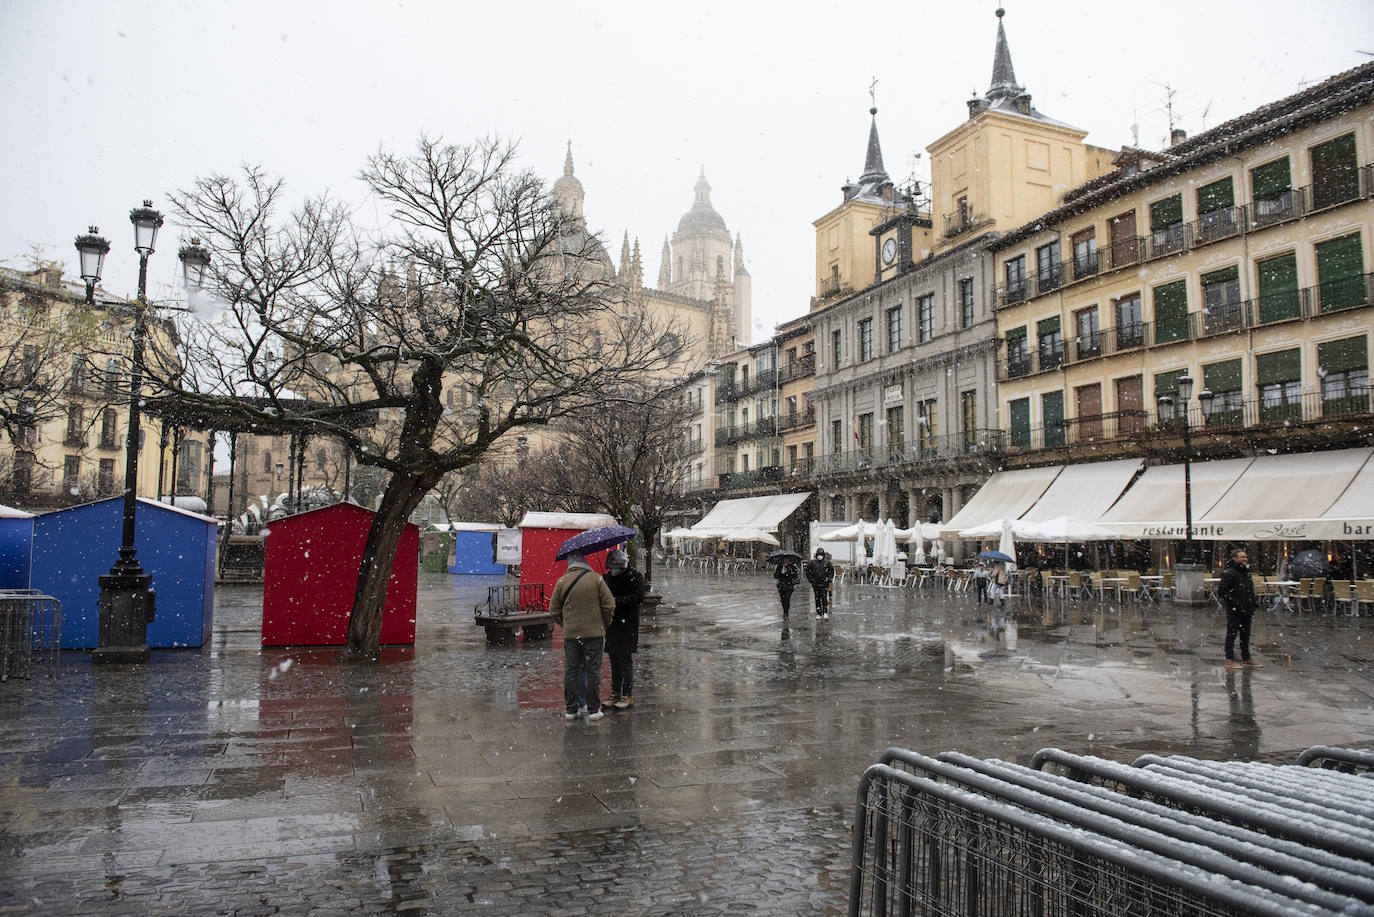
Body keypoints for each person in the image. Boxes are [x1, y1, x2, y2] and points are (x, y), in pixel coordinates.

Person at [549, 550, 616, 721]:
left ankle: (571, 709)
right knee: (593, 670)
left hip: (571, 634)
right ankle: (593, 710)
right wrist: (605, 622)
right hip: (594, 633)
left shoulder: (562, 581)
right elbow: (609, 604)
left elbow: (553, 610)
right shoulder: (596, 579)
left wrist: (565, 623)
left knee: (571, 670)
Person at [603, 549, 645, 710]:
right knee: (614, 659)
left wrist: (618, 601)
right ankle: (615, 693)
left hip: (627, 624)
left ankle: (627, 694)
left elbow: (639, 597)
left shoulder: (634, 576)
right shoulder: (606, 578)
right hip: (612, 624)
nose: (611, 572)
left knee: (625, 660)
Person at [1217, 547, 1260, 668]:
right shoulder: (1229, 573)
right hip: (1235, 609)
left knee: (1246, 634)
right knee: (1232, 633)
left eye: (1245, 557)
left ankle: (1246, 657)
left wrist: (1253, 602)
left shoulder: (1246, 572)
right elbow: (1222, 592)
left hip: (1247, 608)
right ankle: (1229, 658)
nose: (1245, 559)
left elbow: (1250, 590)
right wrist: (1235, 603)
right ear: (1235, 558)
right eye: (1242, 557)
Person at [804, 548, 834, 619]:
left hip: (824, 583)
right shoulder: (812, 563)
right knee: (817, 598)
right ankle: (819, 612)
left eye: (821, 555)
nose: (820, 556)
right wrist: (811, 580)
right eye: (819, 555)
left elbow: (831, 571)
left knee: (824, 598)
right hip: (816, 583)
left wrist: (829, 579)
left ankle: (825, 612)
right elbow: (808, 571)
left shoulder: (827, 563)